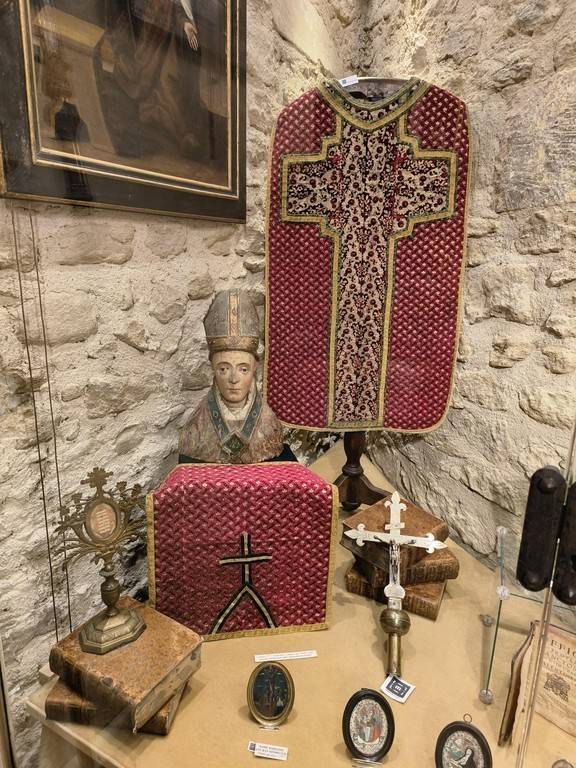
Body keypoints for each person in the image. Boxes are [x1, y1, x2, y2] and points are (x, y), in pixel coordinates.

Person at [179, 290, 292, 464]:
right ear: (212, 368)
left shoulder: (270, 427)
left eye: (243, 369)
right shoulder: (195, 429)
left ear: (255, 368)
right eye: (224, 369)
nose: (233, 379)